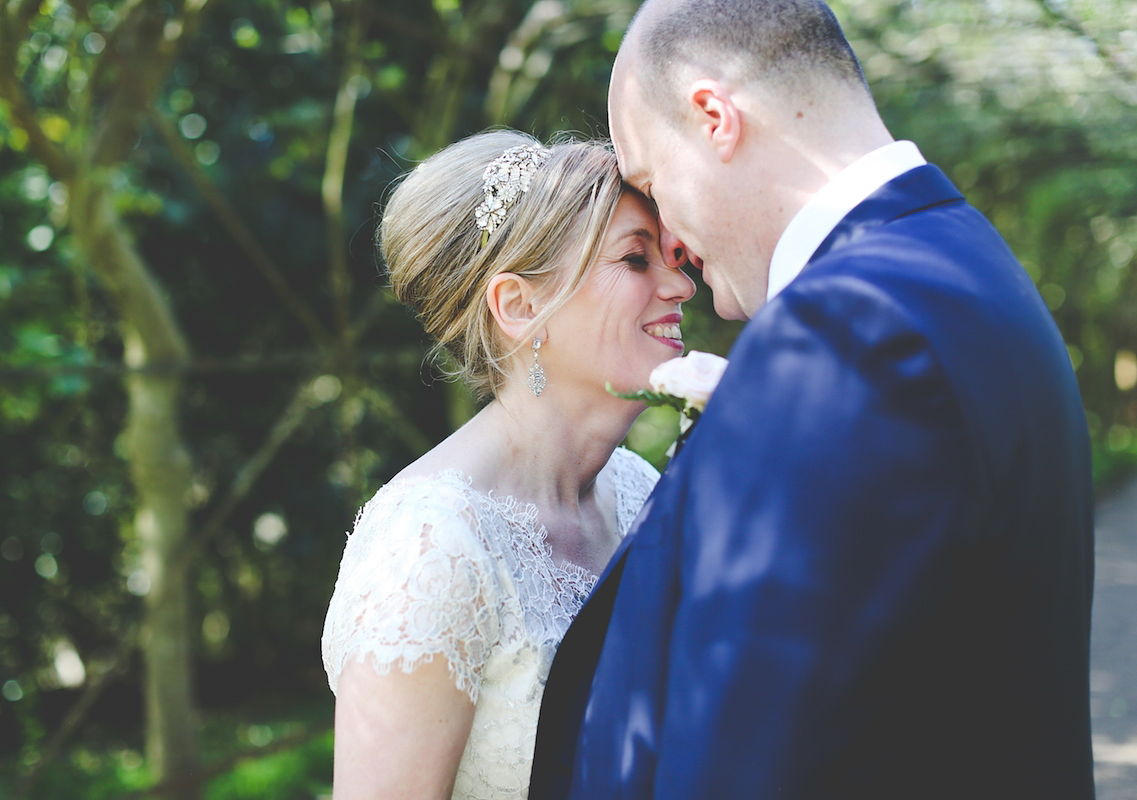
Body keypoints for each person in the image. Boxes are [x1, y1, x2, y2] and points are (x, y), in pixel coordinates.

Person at [529, 1, 1096, 798]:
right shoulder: (966, 265)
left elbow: (755, 760)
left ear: (714, 118)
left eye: (654, 183)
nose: (675, 243)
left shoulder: (847, 337)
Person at [320, 129, 696, 800]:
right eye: (636, 260)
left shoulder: (639, 492)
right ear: (521, 309)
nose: (680, 285)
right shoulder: (429, 549)